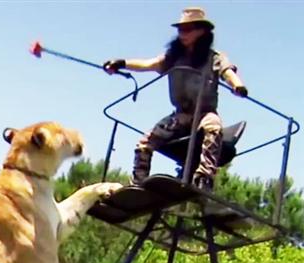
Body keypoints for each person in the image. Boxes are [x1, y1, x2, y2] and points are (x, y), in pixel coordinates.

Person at [103, 7, 248, 190]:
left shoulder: (214, 58)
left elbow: (227, 73)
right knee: (144, 143)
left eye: (188, 29)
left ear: (201, 31)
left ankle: (204, 178)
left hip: (204, 113)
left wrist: (237, 86)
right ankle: (138, 184)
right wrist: (122, 63)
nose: (182, 34)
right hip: (181, 115)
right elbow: (150, 64)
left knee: (214, 128)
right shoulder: (173, 58)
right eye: (180, 29)